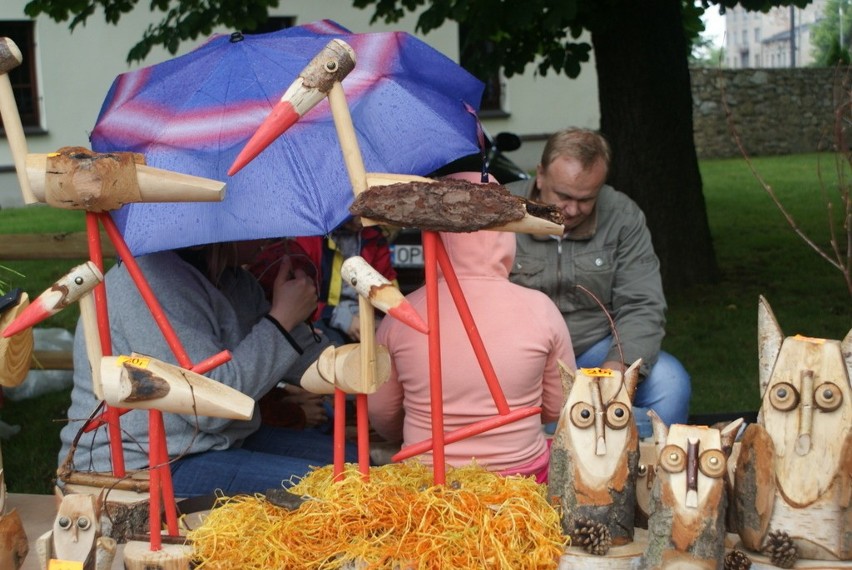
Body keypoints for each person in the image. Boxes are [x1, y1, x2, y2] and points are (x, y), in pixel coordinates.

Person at [58, 240, 357, 498]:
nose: (271, 236)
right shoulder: (152, 281)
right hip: (143, 466)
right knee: (341, 489)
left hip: (215, 444)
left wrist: (362, 360)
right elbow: (208, 407)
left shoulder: (234, 280)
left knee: (359, 466)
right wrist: (282, 321)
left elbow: (302, 359)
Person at [506, 127, 691, 437]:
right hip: (525, 354)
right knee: (558, 418)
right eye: (563, 196)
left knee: (672, 383)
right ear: (540, 176)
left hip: (597, 349)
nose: (573, 210)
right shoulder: (502, 211)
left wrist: (617, 369)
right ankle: (597, 434)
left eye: (586, 199)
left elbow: (642, 304)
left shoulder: (622, 215)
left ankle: (636, 465)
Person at [368, 227, 575, 483]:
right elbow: (558, 407)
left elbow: (381, 413)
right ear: (506, 236)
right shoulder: (541, 308)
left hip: (427, 484)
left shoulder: (401, 314)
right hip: (521, 482)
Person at [250, 218, 397, 347]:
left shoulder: (373, 237)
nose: (364, 216)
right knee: (331, 347)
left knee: (393, 339)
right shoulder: (308, 235)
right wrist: (344, 319)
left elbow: (386, 291)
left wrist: (384, 322)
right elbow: (301, 299)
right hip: (320, 318)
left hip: (362, 318)